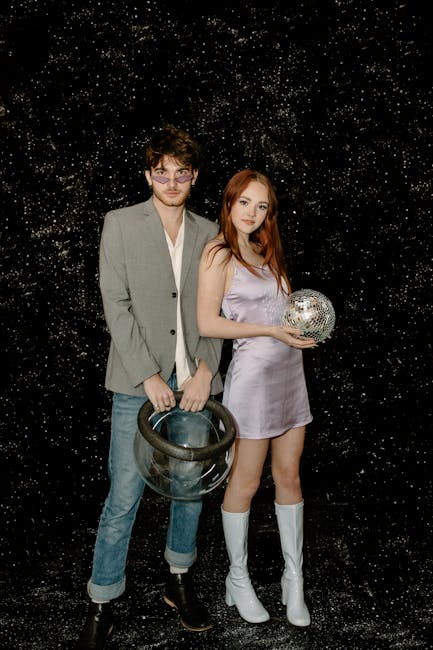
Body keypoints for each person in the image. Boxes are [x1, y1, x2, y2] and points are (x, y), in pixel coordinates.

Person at [75, 125, 223, 650]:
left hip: (194, 383)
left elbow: (219, 307)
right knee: (124, 493)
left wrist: (205, 370)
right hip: (139, 381)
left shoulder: (212, 231)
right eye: (162, 173)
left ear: (194, 177)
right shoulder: (119, 224)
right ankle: (102, 599)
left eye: (181, 173)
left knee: (188, 486)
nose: (172, 182)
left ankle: (178, 580)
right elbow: (115, 303)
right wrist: (148, 375)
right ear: (148, 176)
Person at [197, 169, 316, 628]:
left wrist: (304, 327)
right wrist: (270, 330)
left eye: (262, 206)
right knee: (245, 484)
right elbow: (208, 323)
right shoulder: (218, 253)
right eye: (245, 202)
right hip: (252, 382)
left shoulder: (266, 249)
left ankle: (293, 580)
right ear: (229, 203)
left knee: (289, 477)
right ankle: (238, 578)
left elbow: (281, 311)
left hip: (290, 375)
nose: (253, 213)